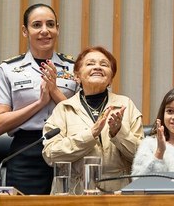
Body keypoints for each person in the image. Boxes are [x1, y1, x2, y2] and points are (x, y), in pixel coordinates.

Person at [0, 3, 78, 195]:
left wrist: (54, 92)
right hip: (27, 151)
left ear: (58, 28)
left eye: (50, 24)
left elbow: (83, 117)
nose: (44, 31)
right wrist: (39, 103)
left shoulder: (74, 68)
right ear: (25, 31)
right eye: (37, 25)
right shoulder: (8, 69)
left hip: (69, 148)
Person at [42, 45, 144, 195]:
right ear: (77, 76)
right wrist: (90, 134)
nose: (97, 67)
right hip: (74, 195)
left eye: (104, 65)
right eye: (90, 64)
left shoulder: (125, 105)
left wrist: (118, 132)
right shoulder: (64, 109)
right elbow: (51, 155)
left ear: (110, 78)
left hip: (119, 195)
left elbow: (142, 156)